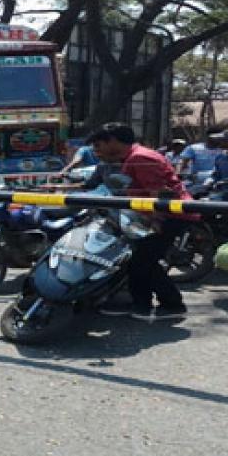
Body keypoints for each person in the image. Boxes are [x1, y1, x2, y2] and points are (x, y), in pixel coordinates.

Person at [86, 123, 193, 322]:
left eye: (99, 144)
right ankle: (139, 303)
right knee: (138, 261)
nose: (97, 150)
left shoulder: (140, 157)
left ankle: (171, 304)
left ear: (113, 141)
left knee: (144, 262)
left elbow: (159, 194)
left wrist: (155, 220)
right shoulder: (132, 157)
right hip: (153, 216)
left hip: (169, 217)